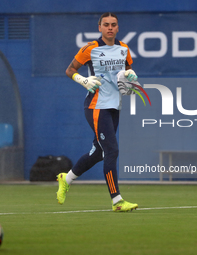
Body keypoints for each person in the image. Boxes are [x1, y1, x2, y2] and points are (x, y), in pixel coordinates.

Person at [57, 12, 138, 212]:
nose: (110, 28)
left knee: (100, 152)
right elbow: (70, 70)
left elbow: (126, 74)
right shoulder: (90, 48)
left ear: (118, 28)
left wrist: (131, 77)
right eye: (106, 24)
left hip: (114, 107)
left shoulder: (124, 49)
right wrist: (83, 80)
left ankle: (65, 179)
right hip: (96, 106)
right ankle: (117, 201)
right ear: (100, 27)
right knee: (112, 150)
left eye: (113, 24)